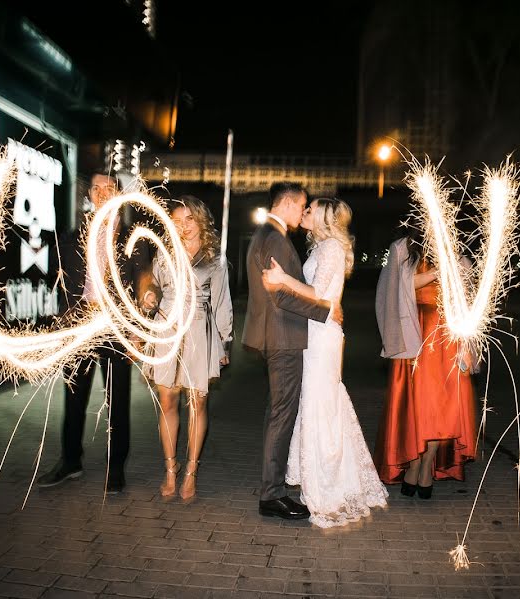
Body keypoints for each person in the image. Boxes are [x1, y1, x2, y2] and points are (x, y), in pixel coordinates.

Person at [262, 198, 388, 527]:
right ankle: (320, 478)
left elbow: (319, 293)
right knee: (317, 403)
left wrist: (281, 279)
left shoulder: (331, 246)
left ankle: (327, 486)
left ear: (323, 216)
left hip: (324, 334)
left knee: (322, 404)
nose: (304, 212)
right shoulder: (322, 247)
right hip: (316, 332)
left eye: (310, 208)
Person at [38, 171, 151, 494]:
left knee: (117, 401)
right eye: (96, 187)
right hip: (80, 329)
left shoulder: (134, 239)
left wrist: (139, 329)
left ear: (118, 193)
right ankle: (70, 461)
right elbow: (62, 285)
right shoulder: (72, 237)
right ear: (89, 193)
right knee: (73, 398)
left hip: (116, 328)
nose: (102, 193)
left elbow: (143, 279)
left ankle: (116, 468)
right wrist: (62, 325)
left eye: (109, 188)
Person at [241, 182, 342, 520]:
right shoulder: (275, 239)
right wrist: (326, 311)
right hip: (283, 338)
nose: (303, 213)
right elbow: (279, 295)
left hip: (276, 336)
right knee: (282, 416)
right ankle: (272, 495)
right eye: (302, 207)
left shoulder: (265, 234)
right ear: (287, 204)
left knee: (278, 413)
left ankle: (274, 488)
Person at [373, 224, 478, 499]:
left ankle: (428, 463)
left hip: (448, 338)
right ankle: (415, 463)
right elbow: (396, 288)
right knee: (419, 406)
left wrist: (467, 345)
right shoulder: (402, 248)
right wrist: (436, 272)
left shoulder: (456, 252)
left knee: (443, 409)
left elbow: (466, 302)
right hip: (415, 336)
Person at [141, 196, 233, 500]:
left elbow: (222, 302)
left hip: (199, 331)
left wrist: (223, 341)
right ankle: (170, 467)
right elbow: (152, 285)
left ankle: (191, 470)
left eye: (190, 219)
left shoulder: (215, 259)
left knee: (197, 404)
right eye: (177, 220)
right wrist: (149, 296)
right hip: (167, 328)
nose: (184, 226)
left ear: (201, 221)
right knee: (168, 401)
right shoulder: (163, 253)